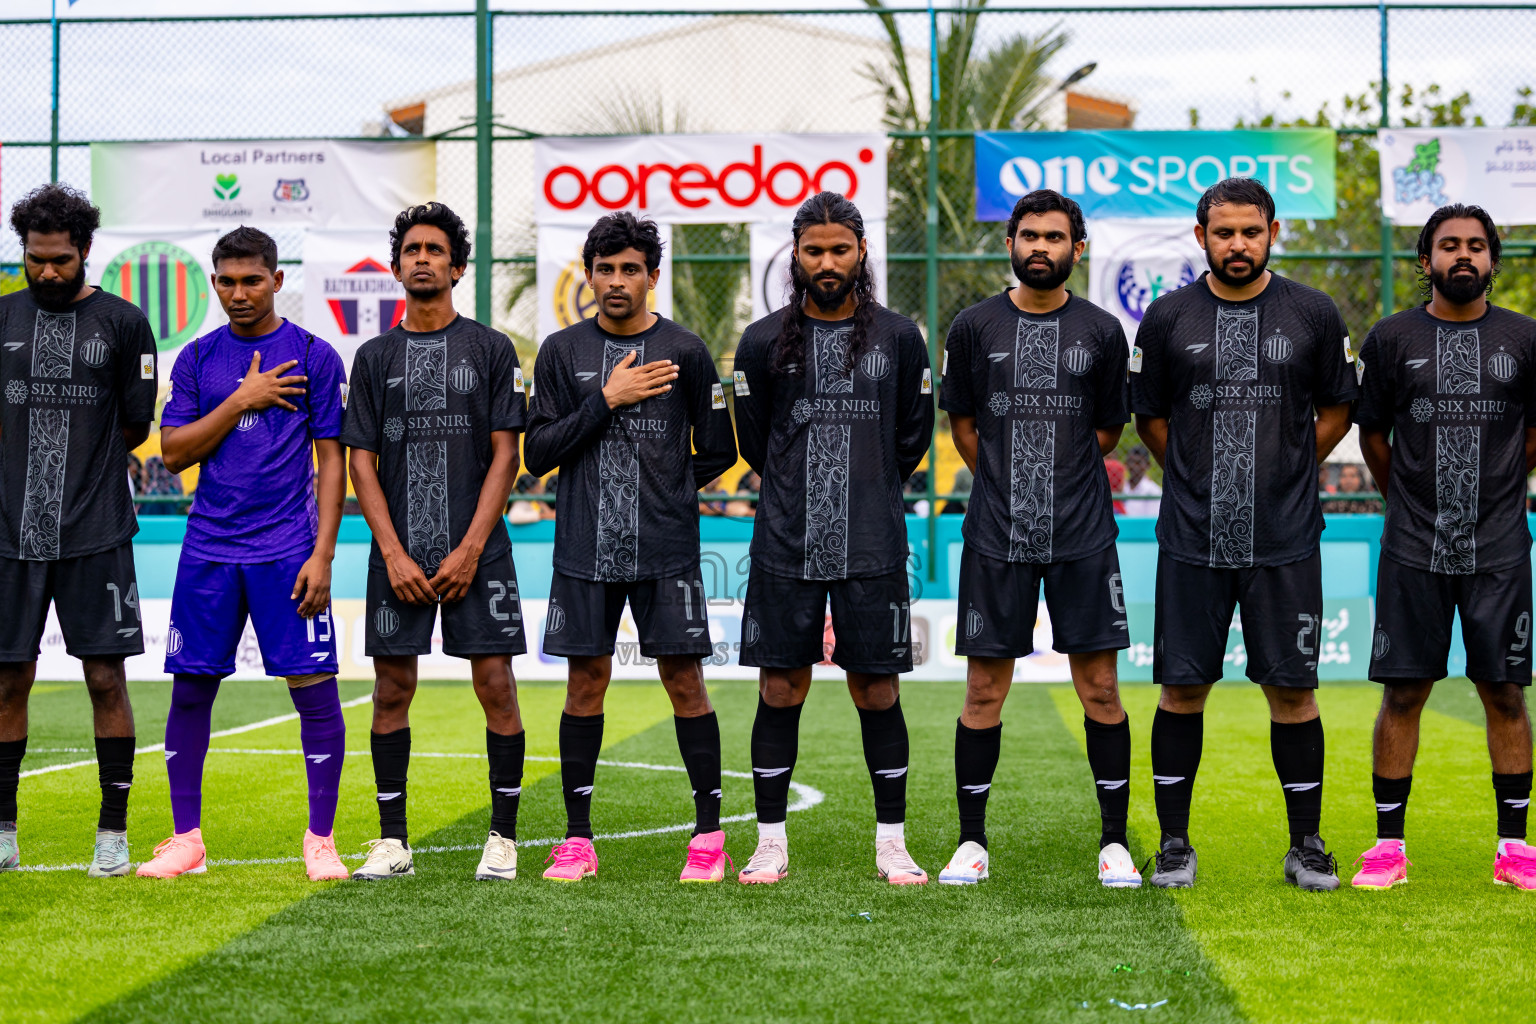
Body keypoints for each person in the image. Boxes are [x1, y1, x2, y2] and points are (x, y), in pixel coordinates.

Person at [1129, 177, 1357, 892]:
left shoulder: (1313, 314)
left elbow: (1338, 410)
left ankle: (1307, 845)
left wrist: (1288, 469)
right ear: (1200, 237)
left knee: (1294, 692)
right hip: (1193, 536)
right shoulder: (1166, 319)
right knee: (1180, 690)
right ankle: (1173, 845)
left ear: (1272, 233)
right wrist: (1197, 478)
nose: (1237, 244)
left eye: (1250, 232)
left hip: (1285, 538)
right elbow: (1151, 420)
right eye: (1223, 232)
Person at [525, 212, 738, 883]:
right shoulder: (561, 353)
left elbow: (721, 449)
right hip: (584, 548)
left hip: (667, 550)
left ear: (652, 275)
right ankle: (577, 840)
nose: (616, 281)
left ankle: (709, 838)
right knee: (585, 683)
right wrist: (606, 399)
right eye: (604, 268)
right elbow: (538, 452)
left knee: (684, 682)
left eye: (630, 269)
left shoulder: (688, 350)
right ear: (588, 274)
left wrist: (670, 489)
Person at [134, 227, 349, 881]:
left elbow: (332, 460)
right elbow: (174, 453)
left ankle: (321, 840)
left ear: (277, 281)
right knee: (191, 688)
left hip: (288, 549)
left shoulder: (314, 355)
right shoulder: (198, 359)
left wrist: (324, 554)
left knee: (313, 689)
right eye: (225, 281)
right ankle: (186, 840)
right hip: (209, 550)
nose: (238, 293)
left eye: (251, 280)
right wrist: (242, 399)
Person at [732, 192, 934, 885]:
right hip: (785, 542)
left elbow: (910, 436)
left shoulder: (900, 338)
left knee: (877, 690)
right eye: (814, 250)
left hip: (872, 542)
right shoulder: (760, 341)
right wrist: (797, 490)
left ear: (861, 253)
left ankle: (892, 843)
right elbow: (757, 443)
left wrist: (868, 487)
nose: (826, 261)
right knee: (781, 688)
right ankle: (768, 842)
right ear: (795, 255)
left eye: (839, 249)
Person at [937, 189, 1137, 887]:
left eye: (1055, 237)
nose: (1040, 248)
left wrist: (1060, 479)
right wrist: (1005, 484)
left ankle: (1115, 843)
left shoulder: (1103, 332)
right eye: (1029, 236)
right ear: (1011, 245)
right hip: (996, 534)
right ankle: (970, 842)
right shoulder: (973, 327)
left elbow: (1107, 430)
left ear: (1077, 250)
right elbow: (964, 425)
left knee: (1102, 691)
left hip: (1083, 533)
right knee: (983, 691)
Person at [342, 202, 529, 882]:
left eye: (435, 250)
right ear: (396, 267)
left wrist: (472, 547)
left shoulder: (491, 348)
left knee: (496, 687)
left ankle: (502, 840)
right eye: (411, 249)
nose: (422, 258)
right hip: (398, 552)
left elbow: (507, 455)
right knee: (391, 691)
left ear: (456, 266)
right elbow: (360, 460)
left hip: (477, 551)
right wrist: (392, 551)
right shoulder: (373, 357)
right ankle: (393, 842)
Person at [1351, 204, 1536, 891]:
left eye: (1477, 247)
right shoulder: (1392, 337)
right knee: (1404, 692)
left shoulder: (1525, 338)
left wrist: (1502, 489)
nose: (1465, 256)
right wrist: (1407, 501)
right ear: (1424, 259)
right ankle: (1387, 848)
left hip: (1499, 547)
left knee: (1505, 693)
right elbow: (1373, 435)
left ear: (1493, 259)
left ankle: (1515, 850)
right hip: (1412, 546)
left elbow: (1532, 432)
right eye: (1449, 246)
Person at [0, 183, 158, 877]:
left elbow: (133, 425)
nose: (47, 273)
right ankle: (3, 832)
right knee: (8, 682)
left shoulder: (123, 324)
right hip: (9, 537)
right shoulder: (2, 319)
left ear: (86, 251)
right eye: (35, 260)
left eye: (60, 260)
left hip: (96, 532)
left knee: (104, 680)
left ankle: (112, 834)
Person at [1122, 445, 1162, 517]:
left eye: (1138, 463)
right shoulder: (1121, 487)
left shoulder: (1153, 491)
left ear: (1147, 465)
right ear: (1126, 463)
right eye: (1131, 462)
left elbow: (1152, 520)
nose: (1134, 466)